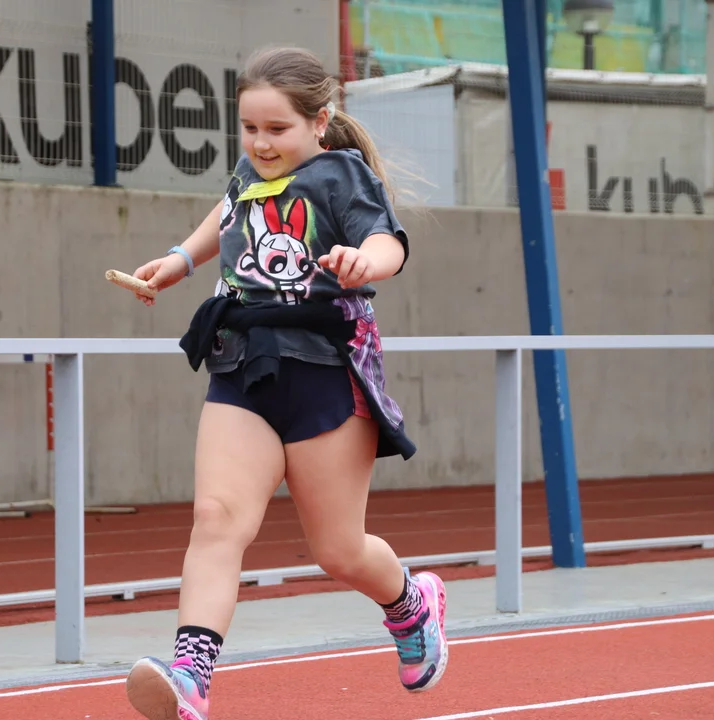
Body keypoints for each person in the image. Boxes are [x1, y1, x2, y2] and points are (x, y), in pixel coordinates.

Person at [122, 45, 447, 720]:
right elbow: (227, 210)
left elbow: (388, 241)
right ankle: (191, 677)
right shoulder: (250, 171)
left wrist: (364, 261)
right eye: (250, 128)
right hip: (243, 364)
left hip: (325, 374)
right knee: (216, 519)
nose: (261, 143)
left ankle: (411, 604)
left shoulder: (341, 176)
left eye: (278, 129)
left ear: (318, 122)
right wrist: (181, 259)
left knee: (339, 550)